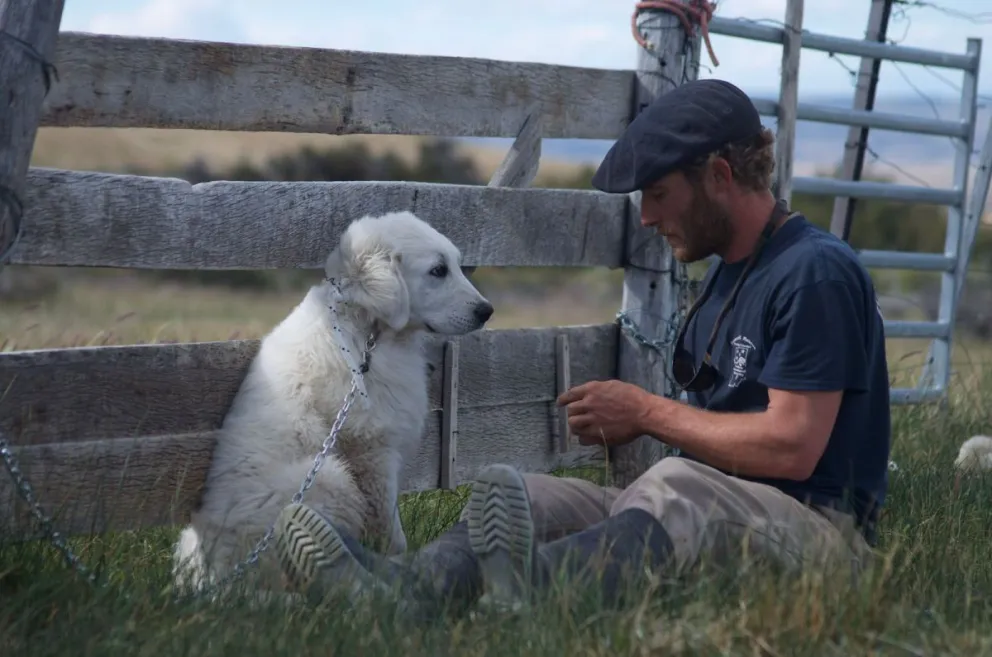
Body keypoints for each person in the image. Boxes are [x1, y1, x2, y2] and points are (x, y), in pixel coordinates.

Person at [270, 78, 891, 616]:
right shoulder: (734, 270)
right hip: (720, 508)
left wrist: (647, 412)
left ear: (720, 177)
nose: (646, 217)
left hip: (818, 538)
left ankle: (531, 593)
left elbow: (794, 446)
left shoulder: (815, 274)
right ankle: (406, 589)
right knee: (527, 493)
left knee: (676, 481)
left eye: (658, 194)